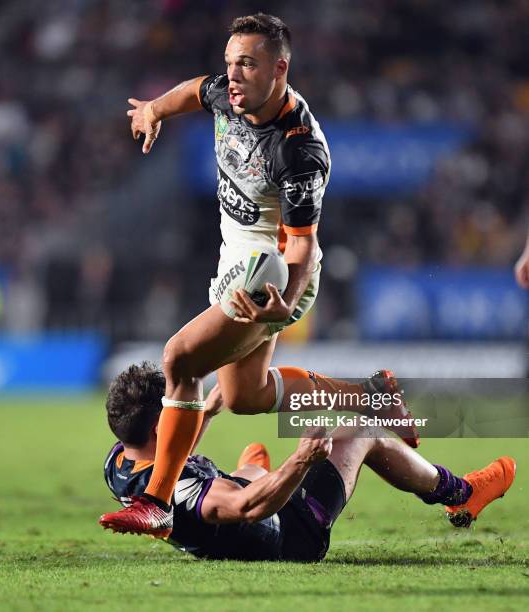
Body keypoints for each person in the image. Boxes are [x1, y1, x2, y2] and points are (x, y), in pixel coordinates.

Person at [114, 12, 419, 537]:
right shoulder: (229, 94)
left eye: (247, 65)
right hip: (233, 257)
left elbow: (302, 244)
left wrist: (287, 300)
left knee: (179, 358)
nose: (233, 75)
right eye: (231, 63)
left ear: (279, 69)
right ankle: (368, 396)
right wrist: (154, 109)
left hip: (271, 277)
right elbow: (195, 90)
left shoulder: (298, 149)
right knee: (245, 397)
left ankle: (156, 501)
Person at [99, 363, 516, 560]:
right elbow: (248, 508)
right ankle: (461, 493)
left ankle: (253, 471)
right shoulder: (189, 491)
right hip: (289, 533)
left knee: (247, 472)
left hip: (224, 515)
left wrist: (207, 410)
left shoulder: (120, 461)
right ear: (160, 425)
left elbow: (173, 451)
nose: (184, 408)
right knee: (359, 432)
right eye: (178, 407)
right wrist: (299, 461)